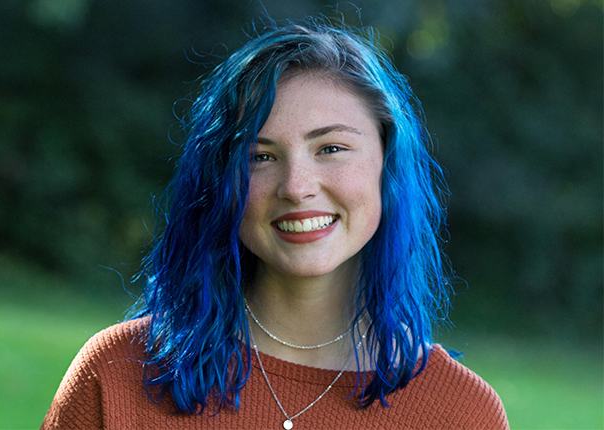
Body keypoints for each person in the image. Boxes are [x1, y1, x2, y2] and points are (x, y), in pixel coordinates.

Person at [42, 18, 509, 430]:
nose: (296, 186)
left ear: (387, 164)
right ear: (222, 183)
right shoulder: (116, 374)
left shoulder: (462, 413)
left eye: (330, 148)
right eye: (260, 157)